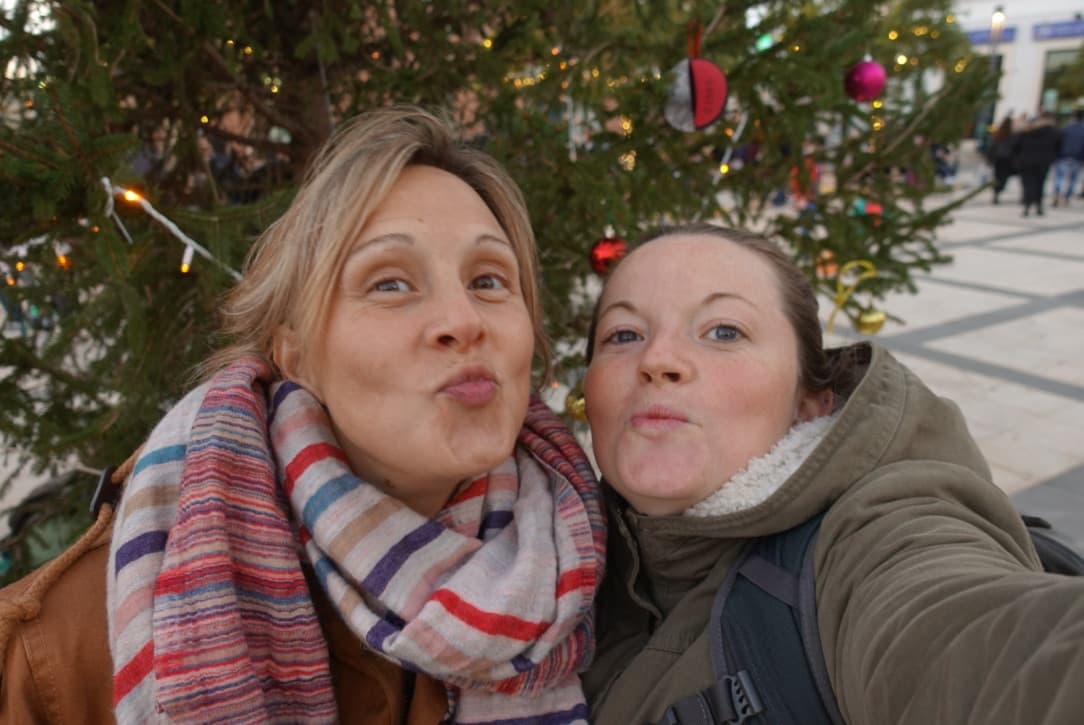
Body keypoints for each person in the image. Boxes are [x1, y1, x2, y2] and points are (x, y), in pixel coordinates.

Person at [0, 107, 606, 724]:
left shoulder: (597, 584)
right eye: (390, 284)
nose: (464, 320)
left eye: (488, 281)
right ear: (296, 357)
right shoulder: (59, 651)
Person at [580, 223, 1084, 724]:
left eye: (724, 331)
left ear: (810, 404)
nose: (658, 359)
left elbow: (985, 648)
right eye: (624, 335)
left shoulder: (870, 539)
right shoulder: (545, 549)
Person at [1011, 112, 1062, 217]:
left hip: (1026, 162)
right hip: (1042, 162)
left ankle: (1027, 205)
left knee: (1028, 184)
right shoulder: (1053, 132)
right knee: (1039, 184)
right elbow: (1058, 147)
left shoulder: (1026, 132)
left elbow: (1015, 146)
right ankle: (1038, 205)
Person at [1051, 110, 1084, 207]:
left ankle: (1056, 194)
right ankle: (1066, 197)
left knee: (1059, 177)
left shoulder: (1067, 128)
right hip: (1077, 157)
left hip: (1063, 156)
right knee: (1073, 179)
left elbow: (1058, 142)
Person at [985, 115, 1015, 204]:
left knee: (997, 177)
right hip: (1007, 159)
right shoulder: (1012, 134)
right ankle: (998, 191)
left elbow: (991, 147)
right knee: (1003, 177)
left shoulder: (998, 133)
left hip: (998, 159)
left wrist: (989, 158)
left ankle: (996, 192)